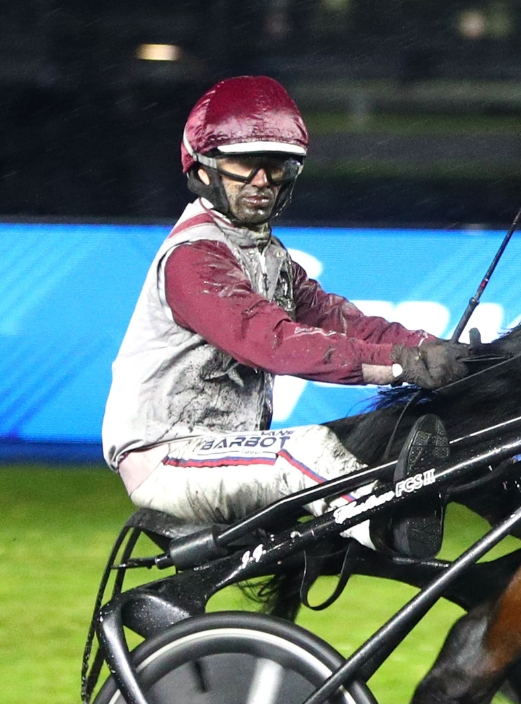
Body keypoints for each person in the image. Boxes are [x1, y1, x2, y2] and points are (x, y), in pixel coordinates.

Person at [102, 76, 469, 551]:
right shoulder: (192, 257)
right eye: (245, 164)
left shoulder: (267, 254)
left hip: (221, 452)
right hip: (167, 459)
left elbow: (342, 322)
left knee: (356, 436)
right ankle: (389, 528)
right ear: (204, 167)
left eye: (275, 166)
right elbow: (273, 343)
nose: (262, 181)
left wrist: (429, 347)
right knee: (308, 451)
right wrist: (400, 364)